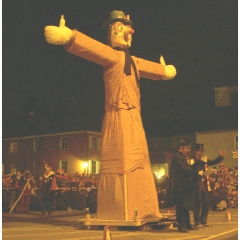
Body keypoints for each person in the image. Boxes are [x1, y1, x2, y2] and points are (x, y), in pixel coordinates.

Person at [44, 10, 177, 220]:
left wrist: (164, 71)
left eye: (130, 27)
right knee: (122, 159)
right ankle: (121, 210)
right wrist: (70, 36)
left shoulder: (134, 62)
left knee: (141, 160)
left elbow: (151, 67)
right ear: (112, 31)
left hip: (135, 116)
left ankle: (143, 209)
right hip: (118, 113)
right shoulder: (112, 56)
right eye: (122, 26)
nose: (129, 31)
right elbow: (92, 48)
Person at [168, 138, 200, 233]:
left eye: (189, 148)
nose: (188, 150)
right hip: (179, 186)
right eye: (186, 148)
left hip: (184, 186)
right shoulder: (177, 156)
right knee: (181, 206)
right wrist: (194, 168)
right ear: (181, 147)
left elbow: (187, 168)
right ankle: (181, 225)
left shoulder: (183, 157)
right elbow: (185, 169)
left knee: (186, 206)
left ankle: (187, 224)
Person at [191, 144, 226, 228]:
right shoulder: (192, 161)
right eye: (199, 151)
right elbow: (191, 171)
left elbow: (213, 161)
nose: (201, 152)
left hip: (205, 185)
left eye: (202, 151)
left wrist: (220, 157)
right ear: (195, 151)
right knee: (197, 204)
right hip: (197, 185)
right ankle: (197, 222)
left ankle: (203, 220)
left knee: (206, 203)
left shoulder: (204, 160)